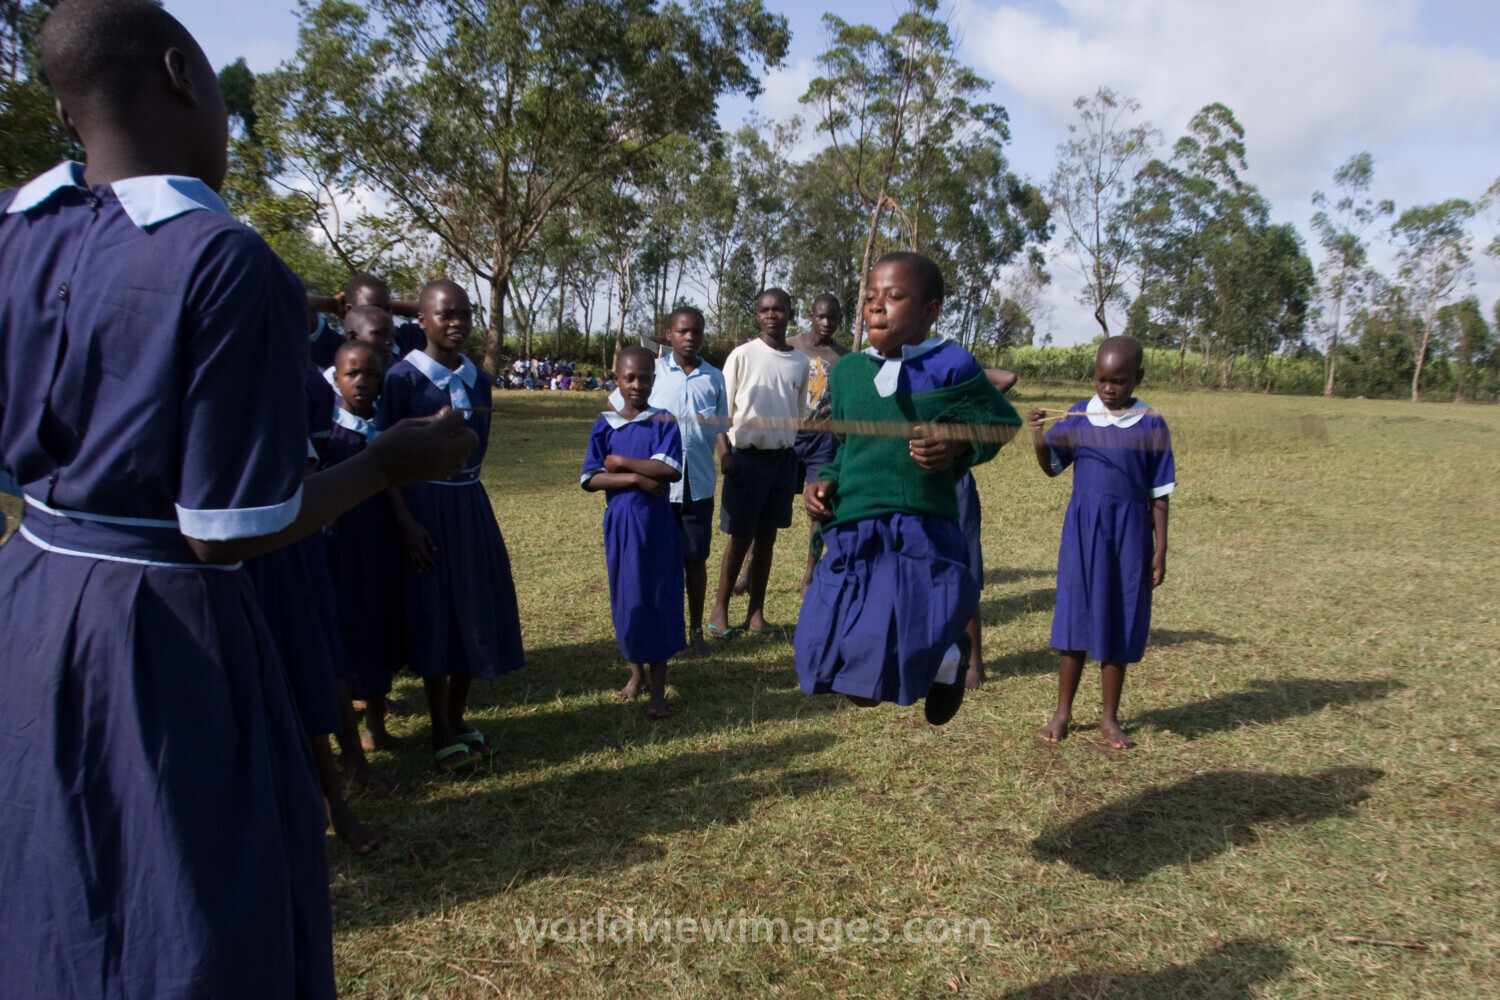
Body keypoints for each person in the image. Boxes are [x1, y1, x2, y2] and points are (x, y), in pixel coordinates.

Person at [0, 3, 476, 996]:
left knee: (51, 870)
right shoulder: (223, 261)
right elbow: (229, 532)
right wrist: (386, 464)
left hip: (29, 596)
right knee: (196, 897)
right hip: (158, 632)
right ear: (181, 73)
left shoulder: (17, 231)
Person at [796, 252, 1020, 726]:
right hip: (852, 529)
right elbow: (844, 448)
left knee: (871, 670)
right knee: (824, 659)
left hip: (915, 528)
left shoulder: (951, 364)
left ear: (930, 311)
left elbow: (1000, 422)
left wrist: (957, 445)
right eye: (870, 297)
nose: (877, 307)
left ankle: (946, 657)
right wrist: (824, 483)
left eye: (894, 297)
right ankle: (946, 657)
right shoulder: (849, 372)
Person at [380, 279, 525, 772]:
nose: (458, 323)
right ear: (422, 320)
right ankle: (439, 727)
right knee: (436, 614)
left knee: (473, 608)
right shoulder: (401, 378)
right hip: (425, 507)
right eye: (446, 315)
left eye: (464, 314)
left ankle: (458, 717)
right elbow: (383, 459)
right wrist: (405, 522)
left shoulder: (479, 379)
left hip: (469, 505)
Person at [1028, 336, 1173, 750]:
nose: (1108, 389)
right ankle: (1062, 712)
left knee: (1121, 616)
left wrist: (1160, 549)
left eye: (1119, 381)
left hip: (1131, 533)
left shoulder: (1151, 424)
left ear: (1138, 379)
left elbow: (1159, 493)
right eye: (1101, 379)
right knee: (1075, 615)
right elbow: (1052, 467)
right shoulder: (1078, 416)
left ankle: (1110, 718)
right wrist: (1038, 436)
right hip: (1084, 529)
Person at [583, 346, 685, 717]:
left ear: (654, 381)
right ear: (616, 380)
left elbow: (670, 469)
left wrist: (622, 463)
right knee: (628, 595)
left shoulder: (663, 420)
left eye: (645, 378)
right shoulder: (604, 423)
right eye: (630, 378)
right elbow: (591, 477)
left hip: (655, 524)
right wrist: (635, 479)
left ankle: (659, 688)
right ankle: (635, 674)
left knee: (657, 594)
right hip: (622, 523)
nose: (637, 385)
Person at [708, 288, 810, 639]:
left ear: (789, 313)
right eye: (765, 309)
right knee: (740, 538)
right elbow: (720, 412)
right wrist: (726, 455)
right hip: (746, 460)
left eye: (778, 309)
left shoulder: (800, 361)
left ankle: (756, 615)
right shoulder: (742, 355)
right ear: (757, 315)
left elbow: (798, 414)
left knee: (766, 540)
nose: (772, 315)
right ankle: (719, 611)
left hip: (782, 461)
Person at [733, 292, 847, 598]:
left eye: (833, 317)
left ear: (839, 319)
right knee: (766, 508)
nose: (826, 323)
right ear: (810, 315)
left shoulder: (845, 357)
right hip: (790, 437)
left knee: (819, 507)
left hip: (824, 440)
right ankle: (747, 572)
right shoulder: (792, 346)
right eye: (821, 316)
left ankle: (810, 574)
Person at [324, 341, 408, 754]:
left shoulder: (387, 429)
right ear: (336, 377)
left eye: (373, 375)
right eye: (353, 374)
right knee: (343, 638)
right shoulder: (325, 432)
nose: (363, 383)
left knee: (378, 632)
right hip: (338, 551)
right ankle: (342, 740)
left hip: (381, 545)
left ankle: (377, 728)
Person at [647, 306, 727, 657]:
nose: (690, 337)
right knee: (658, 562)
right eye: (683, 331)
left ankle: (696, 631)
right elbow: (620, 410)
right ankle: (662, 631)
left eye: (696, 331)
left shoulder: (714, 377)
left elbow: (720, 428)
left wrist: (727, 456)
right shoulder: (651, 373)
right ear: (669, 335)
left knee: (695, 561)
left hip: (699, 485)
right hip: (657, 487)